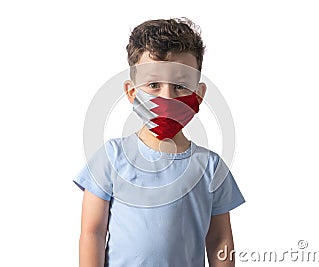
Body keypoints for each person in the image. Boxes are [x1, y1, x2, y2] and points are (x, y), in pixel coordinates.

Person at [73, 17, 245, 267]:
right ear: (132, 93)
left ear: (199, 94)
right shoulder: (111, 157)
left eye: (180, 86)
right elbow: (92, 233)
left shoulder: (210, 166)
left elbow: (220, 239)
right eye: (153, 85)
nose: (167, 98)